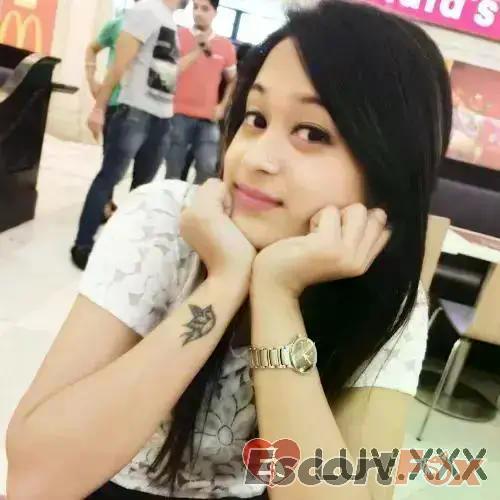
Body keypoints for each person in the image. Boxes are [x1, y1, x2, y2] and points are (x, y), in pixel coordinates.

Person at [6, 2, 452, 500]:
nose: (254, 158)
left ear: (390, 167)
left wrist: (277, 295)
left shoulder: (390, 301)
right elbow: (35, 480)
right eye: (256, 118)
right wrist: (224, 282)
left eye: (312, 133)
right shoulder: (165, 223)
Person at [71, 0, 190, 271]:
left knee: (142, 191)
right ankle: (83, 244)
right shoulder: (146, 10)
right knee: (109, 178)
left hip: (162, 117)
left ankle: (123, 246)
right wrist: (99, 107)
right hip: (135, 112)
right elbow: (118, 65)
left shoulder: (169, 20)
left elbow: (168, 71)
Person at [165, 0, 237, 184]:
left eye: (205, 9)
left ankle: (196, 201)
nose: (198, 12)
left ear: (215, 13)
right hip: (178, 114)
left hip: (208, 117)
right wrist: (198, 49)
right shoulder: (179, 35)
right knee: (174, 170)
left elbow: (233, 80)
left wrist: (223, 106)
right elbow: (172, 69)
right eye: (195, 7)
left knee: (207, 167)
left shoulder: (225, 46)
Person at [84, 0, 140, 224]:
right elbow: (92, 48)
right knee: (111, 160)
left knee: (132, 165)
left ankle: (115, 206)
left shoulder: (159, 29)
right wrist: (91, 80)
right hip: (116, 103)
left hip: (143, 108)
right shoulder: (118, 24)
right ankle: (103, 205)